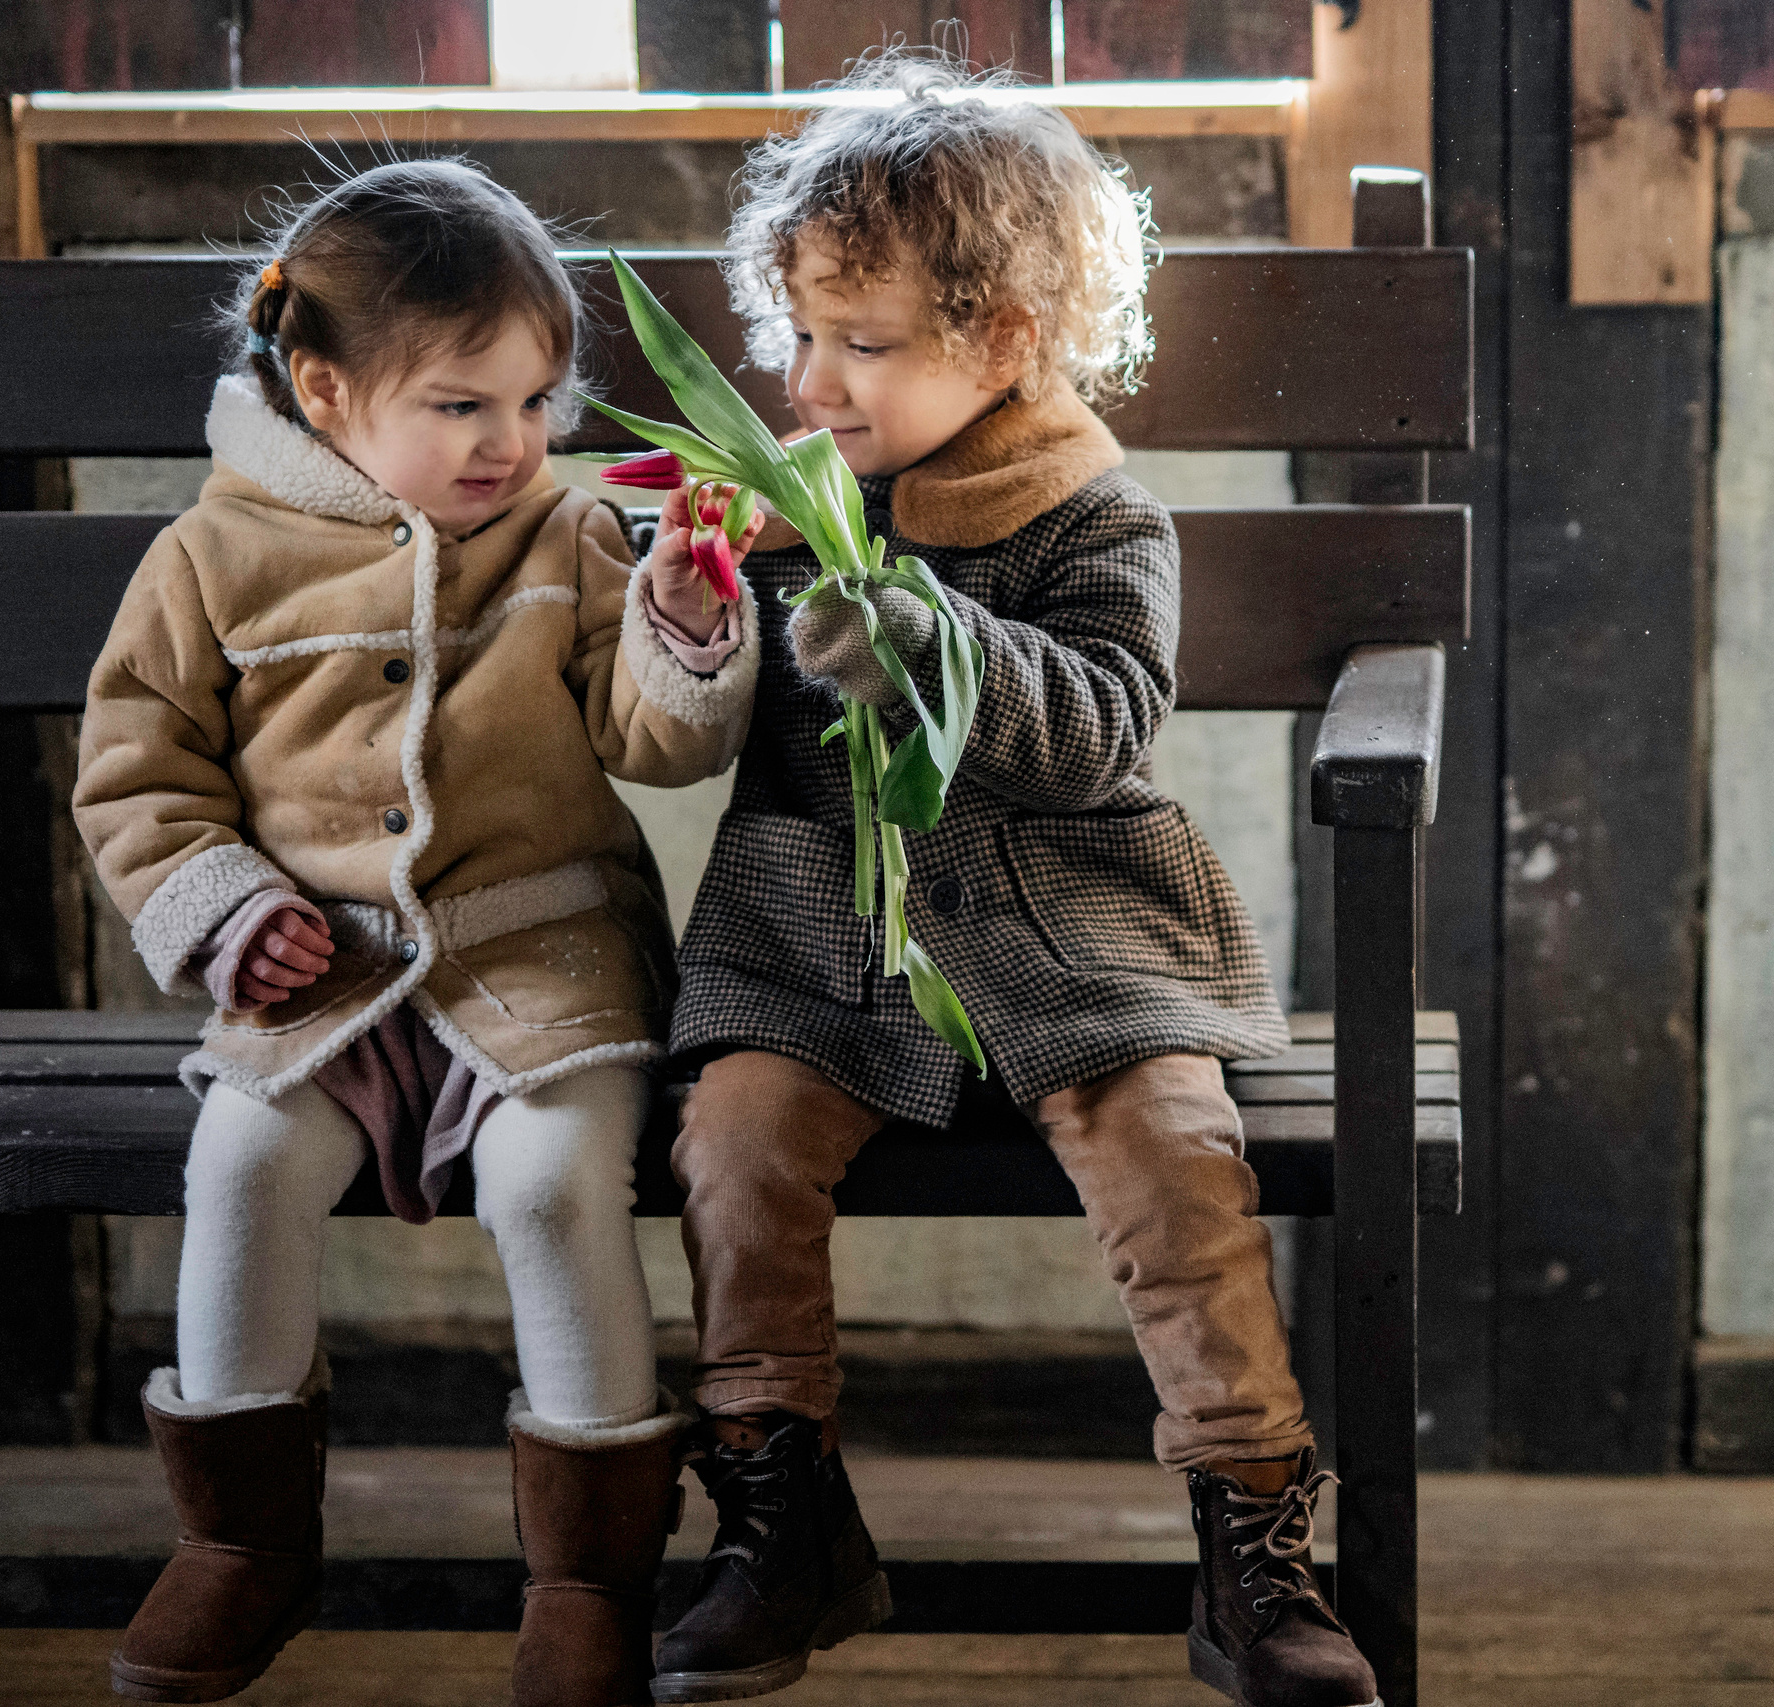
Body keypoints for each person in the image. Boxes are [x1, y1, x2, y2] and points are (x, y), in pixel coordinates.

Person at [656, 57, 1381, 1707]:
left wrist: (931, 638)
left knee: (1176, 1157)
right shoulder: (787, 509)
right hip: (821, 944)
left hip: (1076, 932)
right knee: (737, 1142)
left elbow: (1107, 727)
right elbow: (686, 730)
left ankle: (1253, 1537)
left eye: (868, 343)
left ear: (1008, 336)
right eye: (805, 335)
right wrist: (692, 612)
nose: (819, 381)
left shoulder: (1094, 512)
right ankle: (783, 1525)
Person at [72, 158, 759, 1706]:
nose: (510, 442)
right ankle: (242, 1542)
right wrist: (226, 911)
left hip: (545, 959)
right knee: (242, 1163)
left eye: (534, 400)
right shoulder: (212, 557)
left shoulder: (567, 534)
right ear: (324, 390)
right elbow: (137, 771)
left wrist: (689, 629)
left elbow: (656, 743)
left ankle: (590, 1573)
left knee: (552, 1180)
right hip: (323, 978)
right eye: (461, 405)